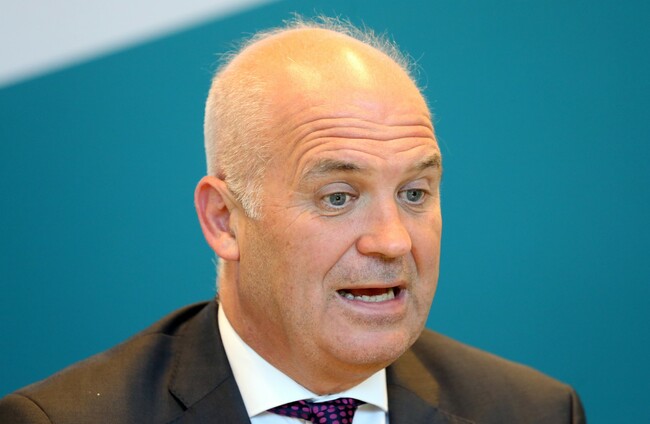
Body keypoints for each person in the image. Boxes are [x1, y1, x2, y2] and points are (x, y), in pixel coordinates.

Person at [0, 16, 586, 424]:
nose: (392, 241)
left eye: (414, 193)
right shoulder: (63, 418)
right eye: (338, 198)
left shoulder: (535, 411)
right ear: (225, 219)